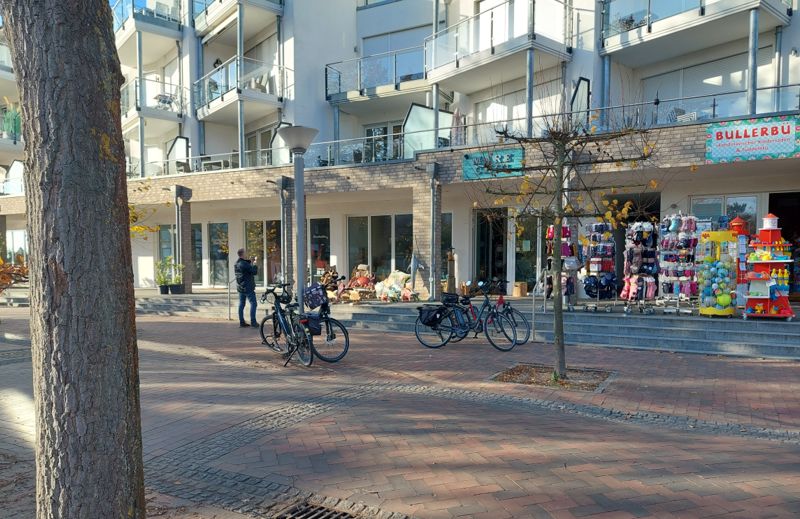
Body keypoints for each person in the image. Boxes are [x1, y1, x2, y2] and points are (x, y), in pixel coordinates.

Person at [235, 248, 258, 327]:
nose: (247, 253)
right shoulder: (244, 264)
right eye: (246, 252)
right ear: (243, 254)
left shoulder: (237, 263)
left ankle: (242, 322)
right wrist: (255, 263)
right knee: (254, 303)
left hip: (240, 287)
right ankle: (253, 322)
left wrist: (250, 262)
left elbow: (246, 270)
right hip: (247, 287)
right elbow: (254, 271)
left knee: (241, 304)